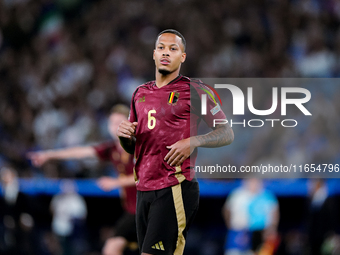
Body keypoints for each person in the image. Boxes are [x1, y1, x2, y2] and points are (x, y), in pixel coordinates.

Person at [117, 29, 234, 255]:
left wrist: (193, 141)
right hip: (143, 188)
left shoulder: (195, 90)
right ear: (153, 54)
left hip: (174, 186)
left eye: (173, 49)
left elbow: (227, 132)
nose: (166, 53)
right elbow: (133, 147)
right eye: (161, 48)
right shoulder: (139, 93)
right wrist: (125, 139)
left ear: (183, 56)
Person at [27, 104, 137, 255]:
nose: (115, 127)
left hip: (146, 208)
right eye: (111, 123)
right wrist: (49, 155)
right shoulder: (112, 149)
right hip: (131, 209)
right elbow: (80, 152)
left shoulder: (138, 147)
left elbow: (147, 176)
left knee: (113, 248)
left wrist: (115, 183)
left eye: (119, 122)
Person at [222, 179, 279, 255]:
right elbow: (226, 211)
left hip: (261, 232)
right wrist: (231, 226)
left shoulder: (267, 195)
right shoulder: (237, 195)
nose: (254, 183)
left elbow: (274, 213)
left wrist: (272, 228)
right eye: (251, 181)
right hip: (239, 231)